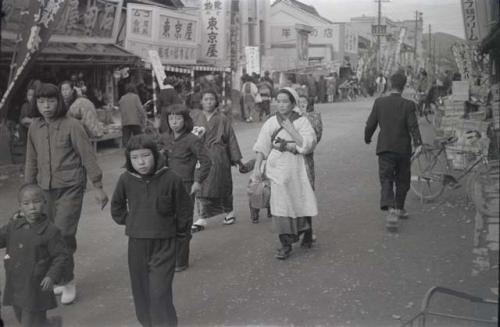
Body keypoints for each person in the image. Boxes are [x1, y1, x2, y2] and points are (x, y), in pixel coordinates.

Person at [24, 83, 108, 305]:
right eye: (41, 102)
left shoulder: (72, 125)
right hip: (44, 190)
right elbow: (31, 159)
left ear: (59, 101)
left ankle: (68, 280)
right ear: (36, 104)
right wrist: (28, 189)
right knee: (47, 236)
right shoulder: (34, 127)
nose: (46, 106)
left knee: (62, 235)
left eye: (51, 101)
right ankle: (60, 278)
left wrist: (98, 186)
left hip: (70, 188)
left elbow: (87, 156)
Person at [111, 134, 192, 327]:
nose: (141, 162)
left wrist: (181, 237)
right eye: (135, 158)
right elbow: (117, 207)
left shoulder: (171, 178)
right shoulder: (126, 180)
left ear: (155, 155)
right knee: (141, 292)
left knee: (159, 292)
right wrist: (132, 221)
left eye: (146, 156)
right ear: (129, 160)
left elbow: (184, 210)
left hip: (164, 244)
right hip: (137, 244)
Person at [251, 87, 318, 260]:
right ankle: (285, 243)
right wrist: (257, 167)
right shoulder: (271, 122)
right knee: (280, 204)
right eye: (278, 101)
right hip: (276, 167)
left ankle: (305, 231)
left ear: (293, 103)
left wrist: (291, 130)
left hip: (296, 167)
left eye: (285, 101)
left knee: (298, 200)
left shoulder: (302, 122)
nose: (281, 105)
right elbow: (262, 145)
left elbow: (308, 144)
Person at [0, 184, 68, 327]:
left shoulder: (51, 231)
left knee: (29, 323)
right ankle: (52, 324)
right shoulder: (14, 225)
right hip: (16, 285)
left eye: (36, 202)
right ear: (20, 207)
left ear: (45, 203)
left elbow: (61, 256)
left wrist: (51, 276)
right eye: (26, 203)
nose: (32, 207)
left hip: (36, 286)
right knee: (21, 317)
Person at [364, 72, 423, 232]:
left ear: (390, 84)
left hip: (385, 148)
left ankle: (391, 210)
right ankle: (399, 208)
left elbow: (370, 125)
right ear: (404, 86)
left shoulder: (379, 102)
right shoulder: (408, 105)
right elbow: (413, 126)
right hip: (403, 149)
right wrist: (418, 143)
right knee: (403, 179)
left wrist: (367, 138)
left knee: (387, 179)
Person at [158, 104, 212, 272]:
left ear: (185, 120)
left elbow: (206, 161)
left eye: (178, 118)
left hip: (186, 186)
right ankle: (168, 256)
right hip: (166, 186)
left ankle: (180, 261)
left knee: (183, 223)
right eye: (171, 118)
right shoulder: (165, 138)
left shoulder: (192, 140)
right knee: (166, 221)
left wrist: (197, 181)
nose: (174, 122)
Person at [190, 90, 247, 232]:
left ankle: (229, 212)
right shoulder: (195, 117)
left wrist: (237, 160)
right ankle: (202, 217)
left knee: (222, 184)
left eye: (211, 99)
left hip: (219, 156)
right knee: (200, 184)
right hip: (201, 155)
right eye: (206, 99)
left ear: (216, 101)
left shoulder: (222, 118)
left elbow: (231, 139)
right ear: (201, 101)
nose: (209, 102)